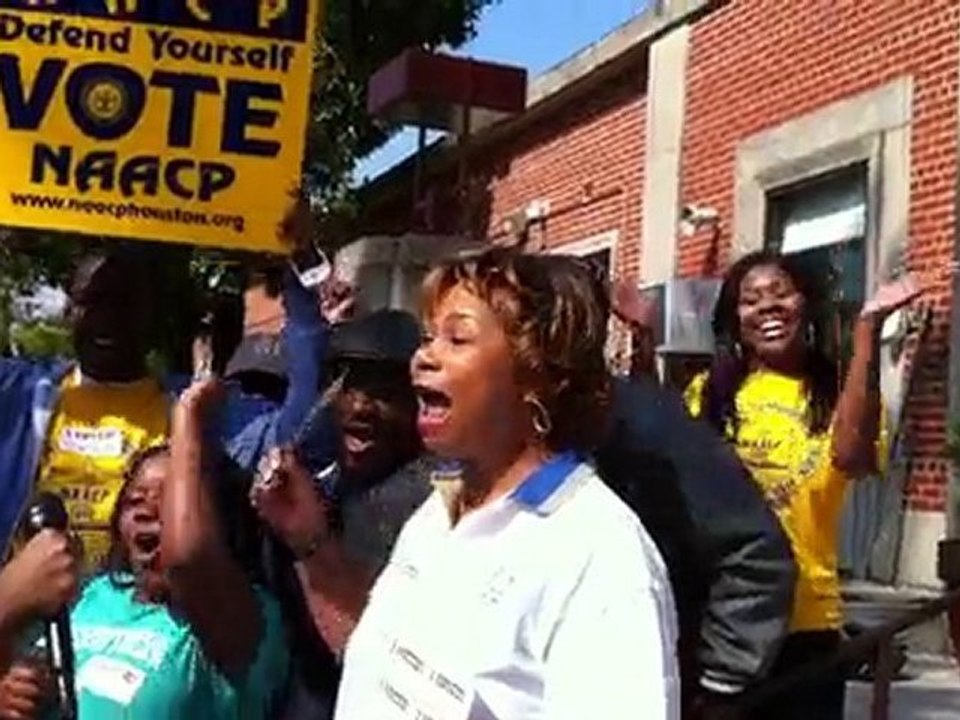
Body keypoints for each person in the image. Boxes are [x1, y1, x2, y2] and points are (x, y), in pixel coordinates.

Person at [255, 249, 680, 720]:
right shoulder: (439, 511)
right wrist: (309, 540)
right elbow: (393, 665)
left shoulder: (600, 556)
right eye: (427, 337)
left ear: (535, 373)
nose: (422, 359)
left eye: (456, 339)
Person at [0, 198, 333, 567]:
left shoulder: (198, 407)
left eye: (125, 302)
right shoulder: (20, 396)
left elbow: (303, 434)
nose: (108, 318)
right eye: (93, 300)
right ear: (69, 311)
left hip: (152, 620)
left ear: (152, 315)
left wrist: (300, 264)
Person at [684, 250, 924, 720]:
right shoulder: (710, 392)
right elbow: (672, 479)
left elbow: (850, 457)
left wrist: (867, 332)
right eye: (751, 300)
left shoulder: (842, 395)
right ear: (736, 318)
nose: (768, 307)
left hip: (808, 623)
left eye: (780, 293)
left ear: (804, 304)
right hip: (723, 621)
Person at [0, 379, 289, 719]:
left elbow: (188, 559)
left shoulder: (245, 616)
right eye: (134, 499)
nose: (145, 509)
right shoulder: (95, 595)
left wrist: (186, 416)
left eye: (167, 500)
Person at [266, 309, 427, 720]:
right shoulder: (321, 483)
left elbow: (383, 647)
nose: (361, 406)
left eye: (384, 393)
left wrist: (310, 539)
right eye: (349, 388)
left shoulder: (427, 509)